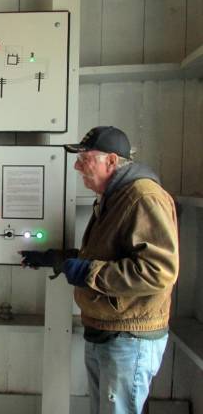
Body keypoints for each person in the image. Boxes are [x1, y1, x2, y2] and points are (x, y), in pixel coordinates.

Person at [20, 126, 179, 414]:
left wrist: (88, 272)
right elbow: (102, 254)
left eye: (85, 158)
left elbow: (158, 271)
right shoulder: (113, 197)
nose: (77, 165)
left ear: (112, 161)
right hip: (109, 330)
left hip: (129, 336)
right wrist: (56, 259)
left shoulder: (143, 197)